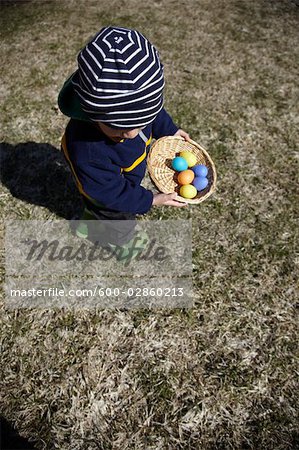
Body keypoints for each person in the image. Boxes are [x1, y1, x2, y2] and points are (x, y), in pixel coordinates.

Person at [58, 26, 189, 252]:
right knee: (117, 218)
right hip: (106, 190)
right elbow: (113, 194)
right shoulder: (89, 151)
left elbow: (155, 113)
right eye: (118, 127)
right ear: (92, 113)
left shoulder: (139, 112)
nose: (131, 133)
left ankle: (88, 222)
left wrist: (171, 131)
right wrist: (151, 200)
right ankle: (122, 245)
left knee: (98, 208)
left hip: (111, 180)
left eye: (140, 122)